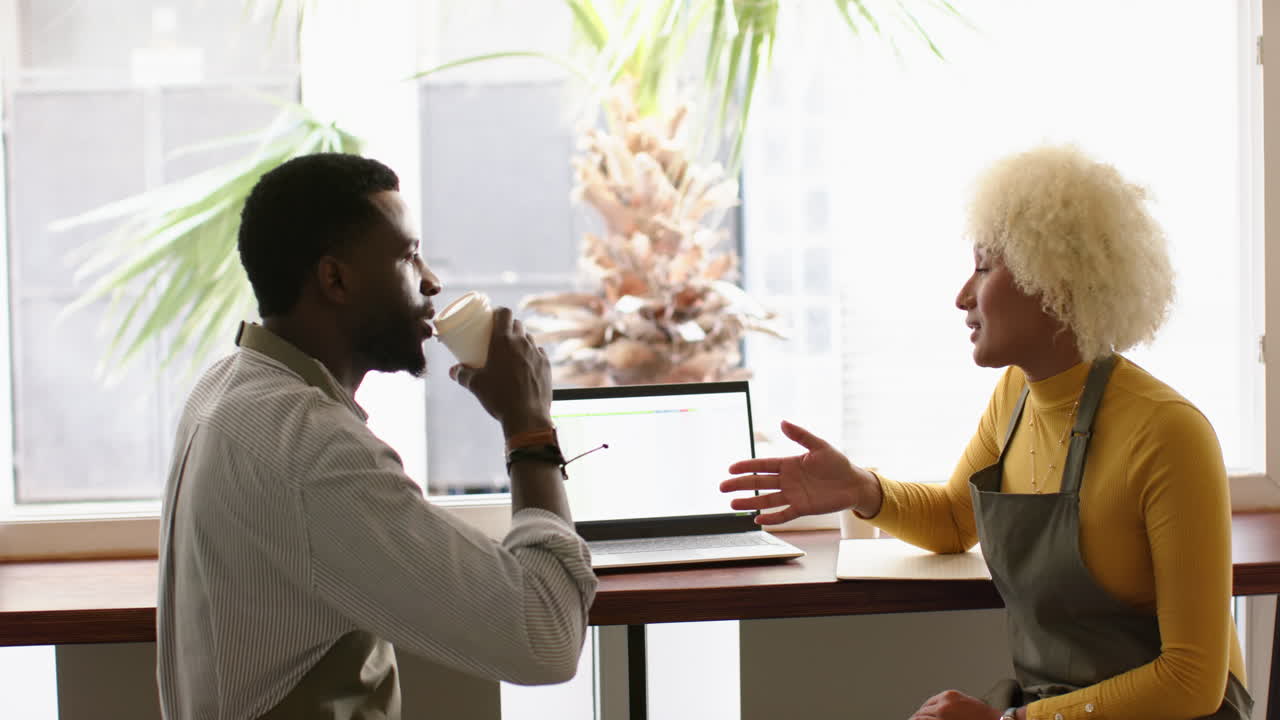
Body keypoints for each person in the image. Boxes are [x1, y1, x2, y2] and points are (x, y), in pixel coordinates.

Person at [721, 145, 1252, 720]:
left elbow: (1193, 682)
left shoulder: (1169, 434)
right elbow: (954, 519)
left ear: (1055, 281)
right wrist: (861, 490)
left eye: (984, 266)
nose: (962, 297)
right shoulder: (1016, 396)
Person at [156, 152, 596, 720]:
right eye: (409, 257)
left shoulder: (226, 387)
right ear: (335, 278)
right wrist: (529, 427)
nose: (432, 281)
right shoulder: (311, 450)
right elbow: (548, 637)